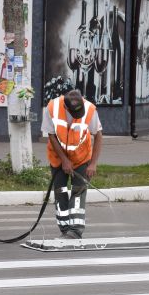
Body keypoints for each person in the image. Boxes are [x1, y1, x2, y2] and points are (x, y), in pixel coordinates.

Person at [41, 89, 103, 239]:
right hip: (58, 157)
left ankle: (75, 230)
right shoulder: (52, 108)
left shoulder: (89, 109)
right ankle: (65, 229)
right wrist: (64, 160)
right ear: (66, 107)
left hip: (81, 157)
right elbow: (51, 135)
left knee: (78, 192)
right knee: (60, 191)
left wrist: (93, 164)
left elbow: (98, 135)